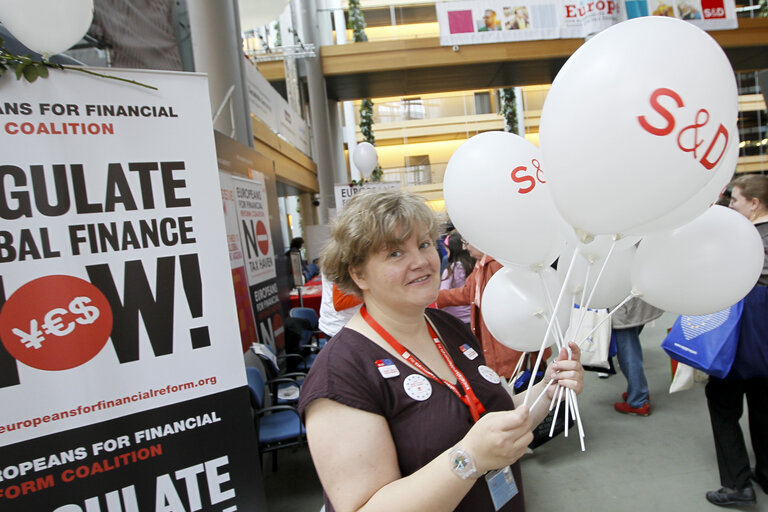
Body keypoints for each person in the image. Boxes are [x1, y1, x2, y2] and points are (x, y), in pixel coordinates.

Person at [298, 189, 584, 512]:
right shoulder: (342, 372)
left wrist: (549, 389)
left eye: (423, 244)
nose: (420, 262)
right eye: (394, 253)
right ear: (358, 273)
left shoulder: (447, 329)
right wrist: (468, 459)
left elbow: (491, 420)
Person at [705, 174, 768, 507]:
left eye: (736, 200)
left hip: (738, 342)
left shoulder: (743, 240)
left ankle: (737, 484)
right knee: (763, 406)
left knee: (723, 405)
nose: (731, 205)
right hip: (766, 350)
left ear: (754, 204)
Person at [437, 240, 552, 379]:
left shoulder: (497, 265)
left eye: (466, 242)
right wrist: (436, 297)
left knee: (516, 381)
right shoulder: (482, 264)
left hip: (508, 344)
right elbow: (469, 292)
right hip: (500, 342)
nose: (464, 247)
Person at [611, 298, 663, 416]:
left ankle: (637, 400)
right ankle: (636, 390)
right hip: (640, 300)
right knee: (632, 344)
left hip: (624, 306)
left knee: (628, 353)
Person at [439, 231, 475, 327]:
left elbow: (443, 291)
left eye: (447, 251)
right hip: (472, 316)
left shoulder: (451, 269)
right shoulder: (474, 265)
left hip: (456, 318)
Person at [318, 273, 363, 339]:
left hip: (343, 323)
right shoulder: (340, 264)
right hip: (340, 326)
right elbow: (340, 303)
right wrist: (370, 293)